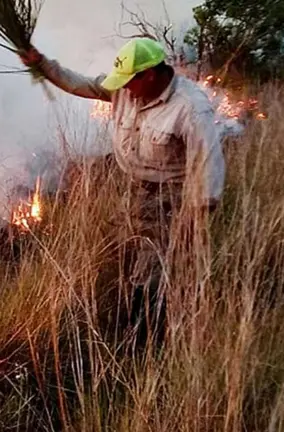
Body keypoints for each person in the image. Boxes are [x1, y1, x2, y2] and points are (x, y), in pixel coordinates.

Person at [19, 38, 225, 350]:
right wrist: (42, 64)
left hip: (171, 199)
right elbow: (81, 84)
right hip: (133, 191)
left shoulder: (190, 109)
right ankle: (133, 312)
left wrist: (192, 221)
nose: (123, 90)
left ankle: (144, 344)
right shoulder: (125, 88)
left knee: (151, 271)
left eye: (129, 82)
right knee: (124, 257)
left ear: (150, 75)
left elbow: (208, 168)